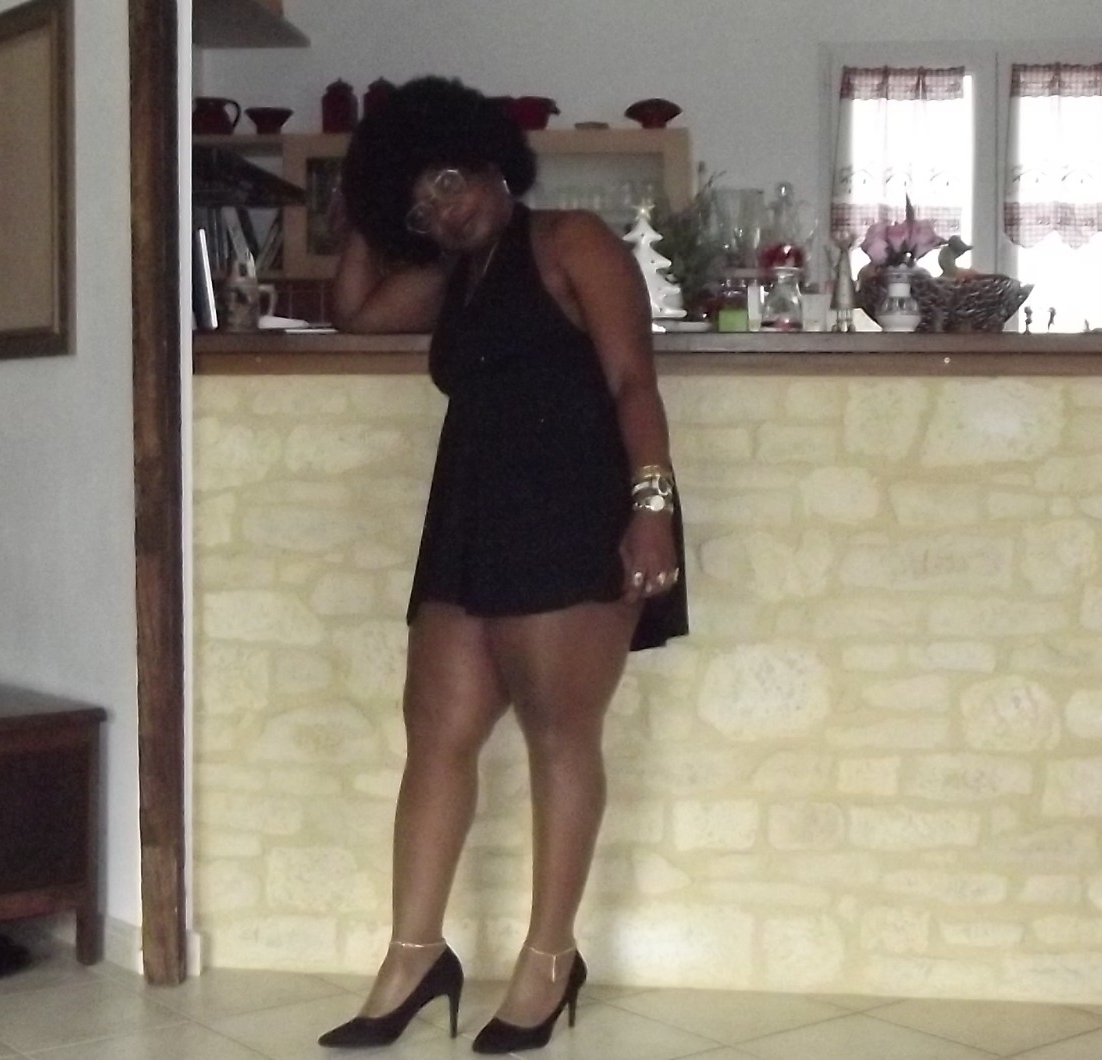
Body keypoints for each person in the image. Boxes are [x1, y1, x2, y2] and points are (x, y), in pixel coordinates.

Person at [316, 76, 688, 1055]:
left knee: (560, 736)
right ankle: (412, 958)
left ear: (490, 160)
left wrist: (652, 509)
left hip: (573, 512)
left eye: (445, 181)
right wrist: (366, 205)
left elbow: (633, 380)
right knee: (435, 735)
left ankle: (549, 960)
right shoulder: (453, 275)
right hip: (472, 515)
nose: (442, 210)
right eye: (418, 205)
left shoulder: (572, 242)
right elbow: (354, 312)